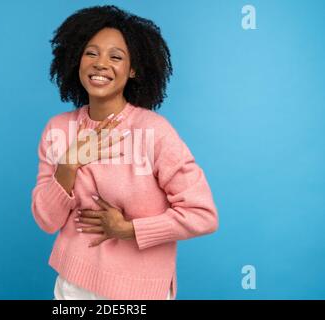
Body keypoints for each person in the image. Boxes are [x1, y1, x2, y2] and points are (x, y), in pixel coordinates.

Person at [31, 5, 219, 300]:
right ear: (76, 60)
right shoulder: (58, 129)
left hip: (138, 291)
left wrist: (128, 229)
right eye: (91, 53)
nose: (100, 63)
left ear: (132, 69)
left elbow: (203, 215)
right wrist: (67, 165)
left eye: (115, 57)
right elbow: (46, 221)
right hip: (72, 285)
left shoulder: (154, 131)